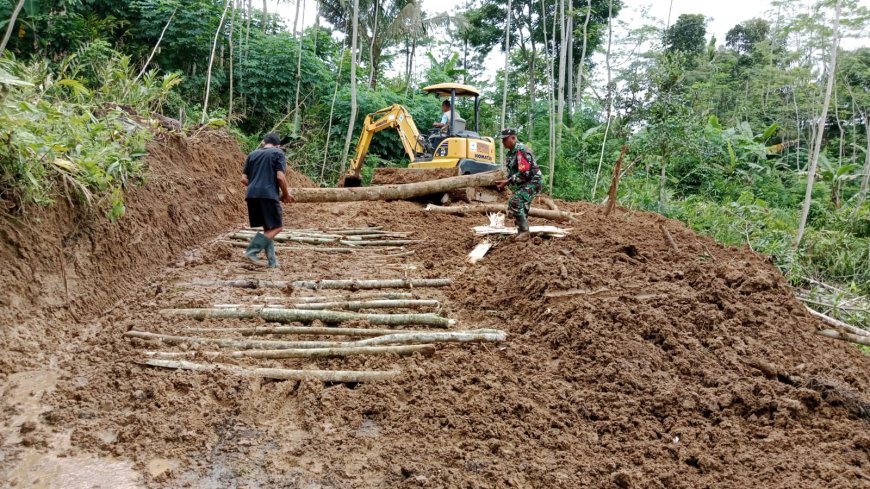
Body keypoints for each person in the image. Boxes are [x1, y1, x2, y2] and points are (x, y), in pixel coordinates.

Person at [241, 133, 294, 267]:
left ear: (264, 143)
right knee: (277, 227)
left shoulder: (252, 154)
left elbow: (243, 179)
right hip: (268, 195)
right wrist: (286, 194)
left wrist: (256, 186)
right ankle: (251, 251)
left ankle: (272, 262)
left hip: (251, 195)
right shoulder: (278, 153)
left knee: (268, 228)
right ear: (278, 146)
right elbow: (280, 177)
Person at [495, 128, 542, 240]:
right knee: (521, 206)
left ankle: (524, 231)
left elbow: (525, 173)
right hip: (524, 182)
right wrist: (506, 181)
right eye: (502, 140)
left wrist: (508, 181)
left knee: (515, 202)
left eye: (505, 139)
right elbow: (513, 172)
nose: (503, 142)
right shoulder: (511, 153)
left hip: (533, 181)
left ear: (513, 138)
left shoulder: (522, 150)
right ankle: (521, 232)